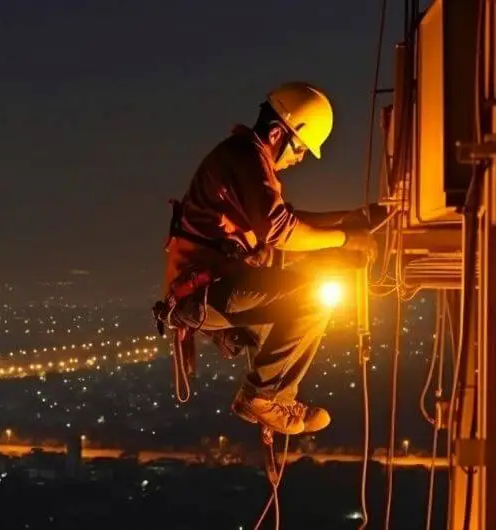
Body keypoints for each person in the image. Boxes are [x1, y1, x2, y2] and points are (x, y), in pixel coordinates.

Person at [161, 82, 377, 436]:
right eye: (300, 148)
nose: (301, 158)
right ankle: (263, 398)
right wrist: (346, 237)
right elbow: (281, 230)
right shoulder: (245, 157)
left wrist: (351, 218)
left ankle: (271, 398)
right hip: (206, 291)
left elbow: (288, 220)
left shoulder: (246, 160)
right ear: (278, 133)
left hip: (209, 289)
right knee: (310, 296)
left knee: (299, 284)